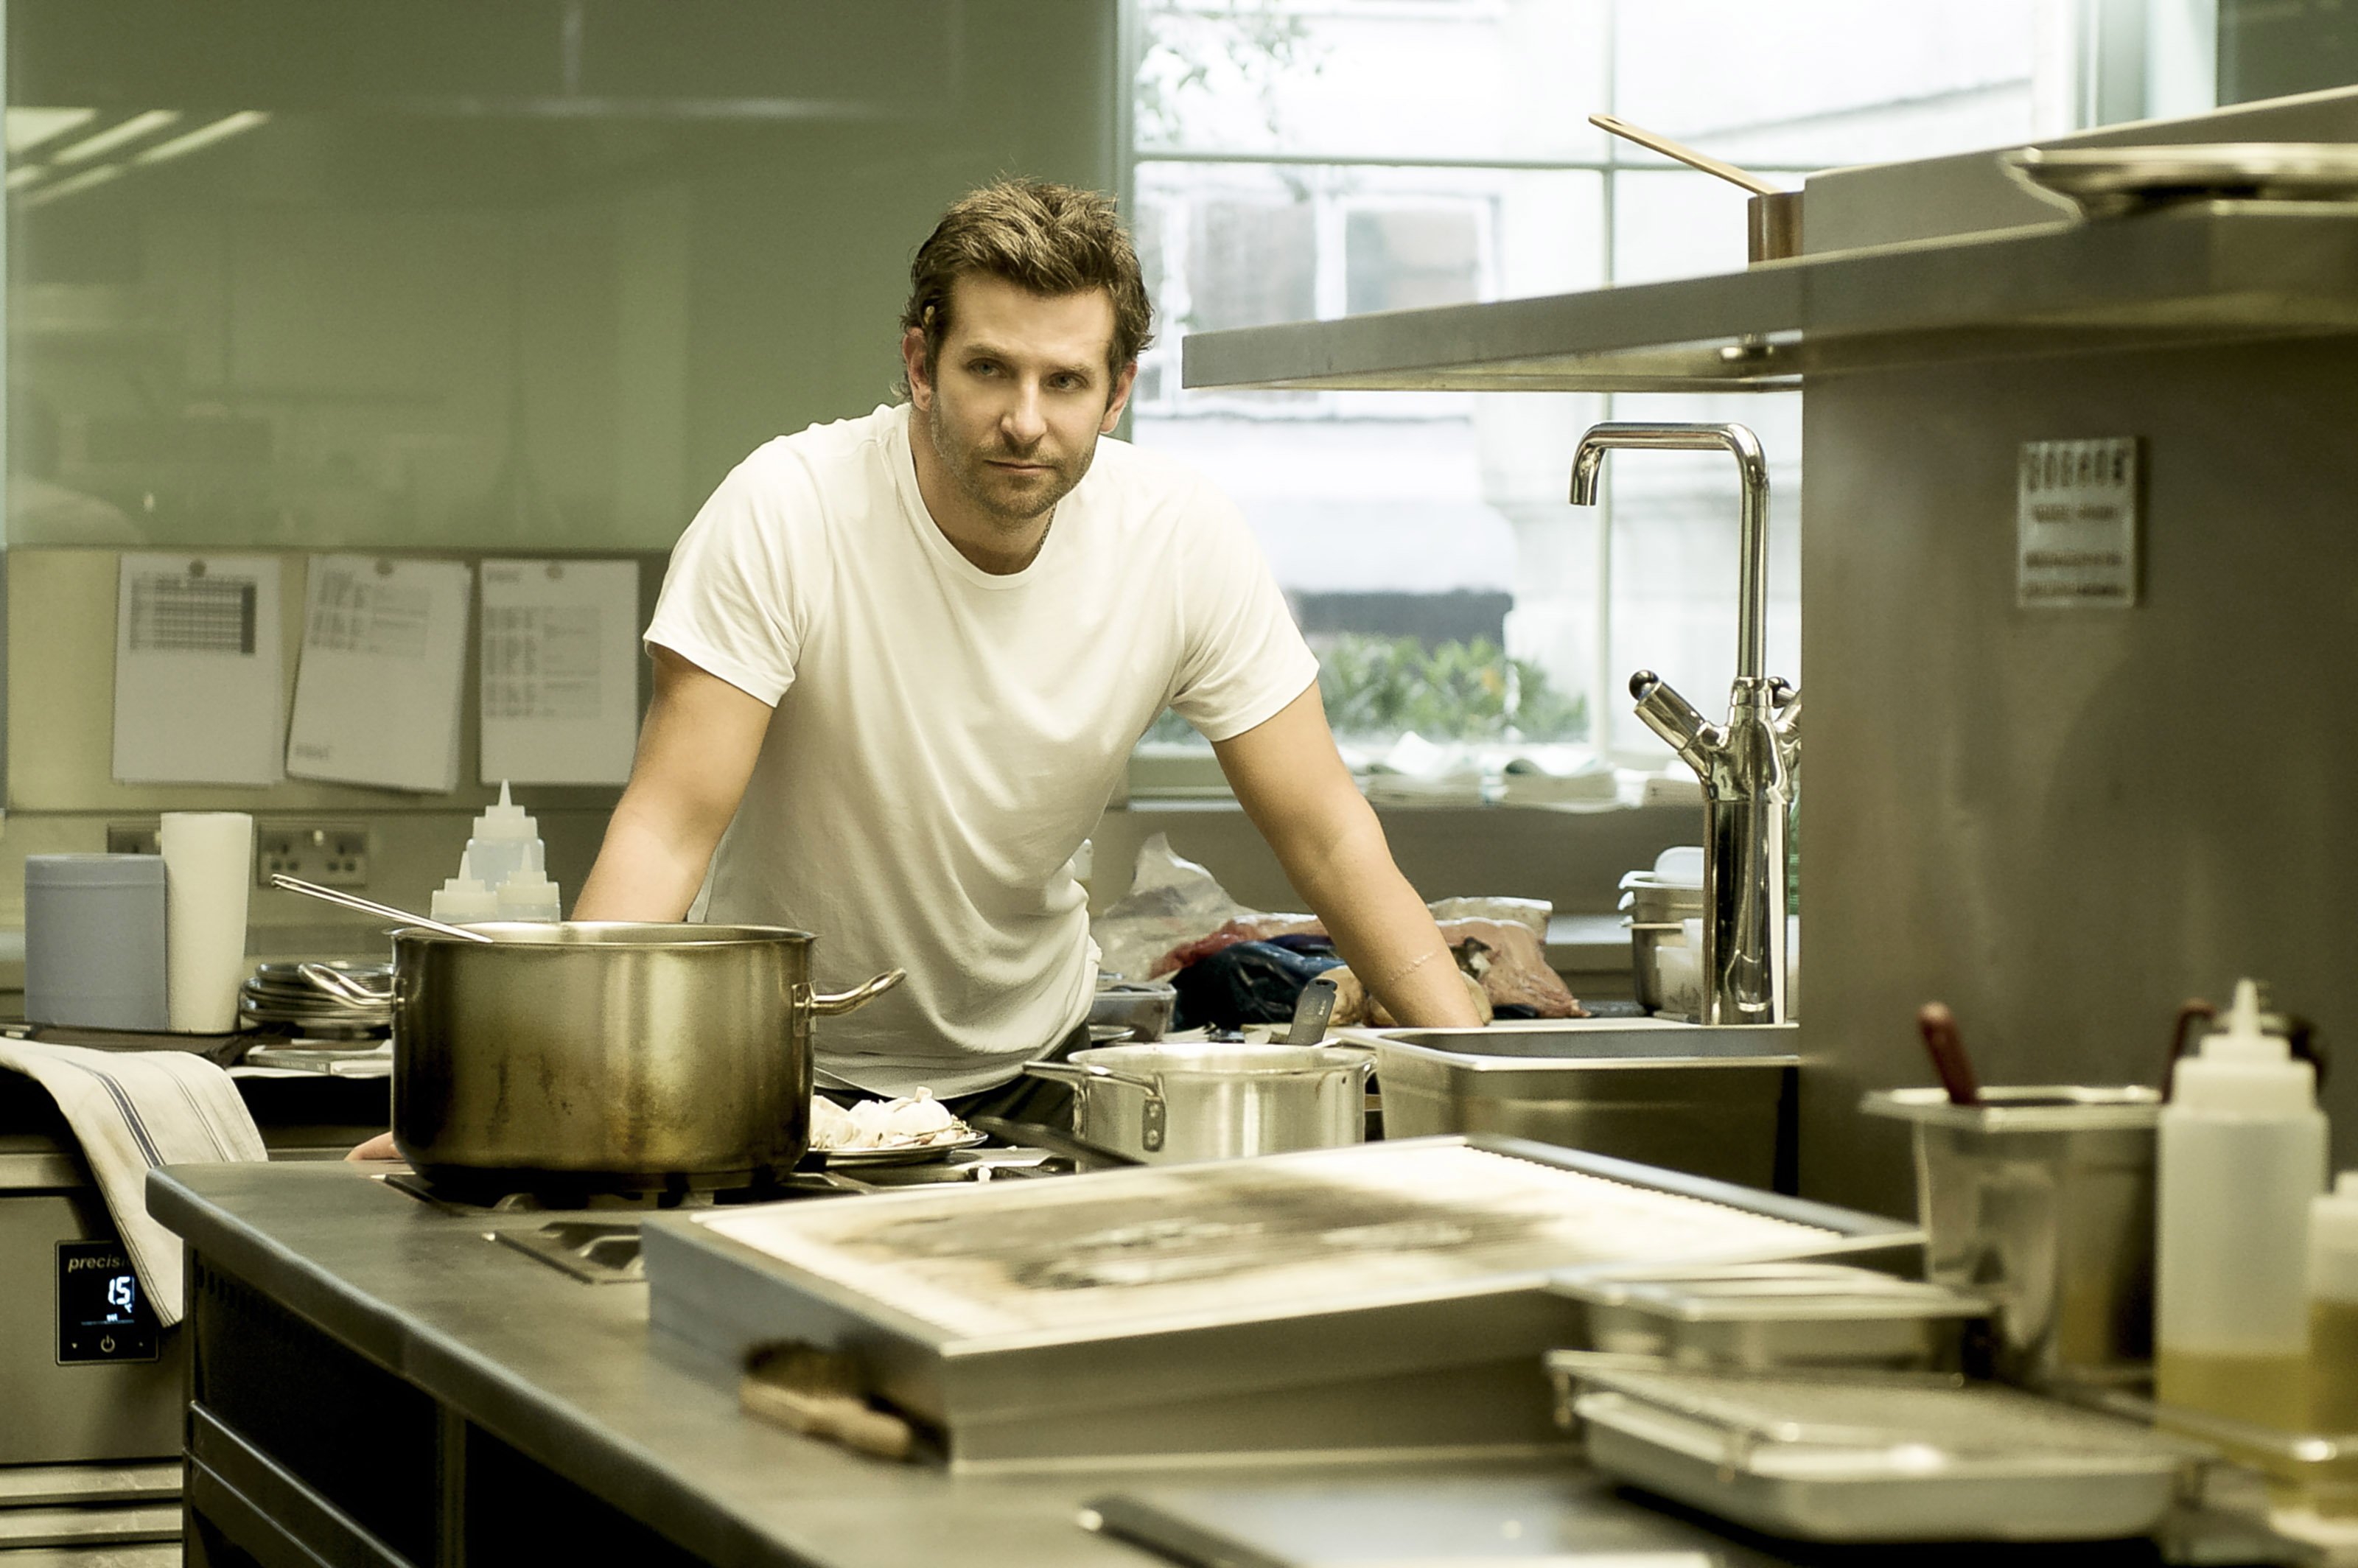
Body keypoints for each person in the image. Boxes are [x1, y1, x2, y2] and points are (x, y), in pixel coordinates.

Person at [350, 178, 1478, 1160]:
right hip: (767, 1073)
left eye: (1066, 382)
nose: (1024, 421)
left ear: (1119, 389)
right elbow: (668, 825)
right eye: (988, 369)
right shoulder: (787, 510)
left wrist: (1478, 1079)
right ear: (919, 361)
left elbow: (1327, 830)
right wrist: (529, 1090)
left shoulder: (1180, 537)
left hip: (1038, 1073)